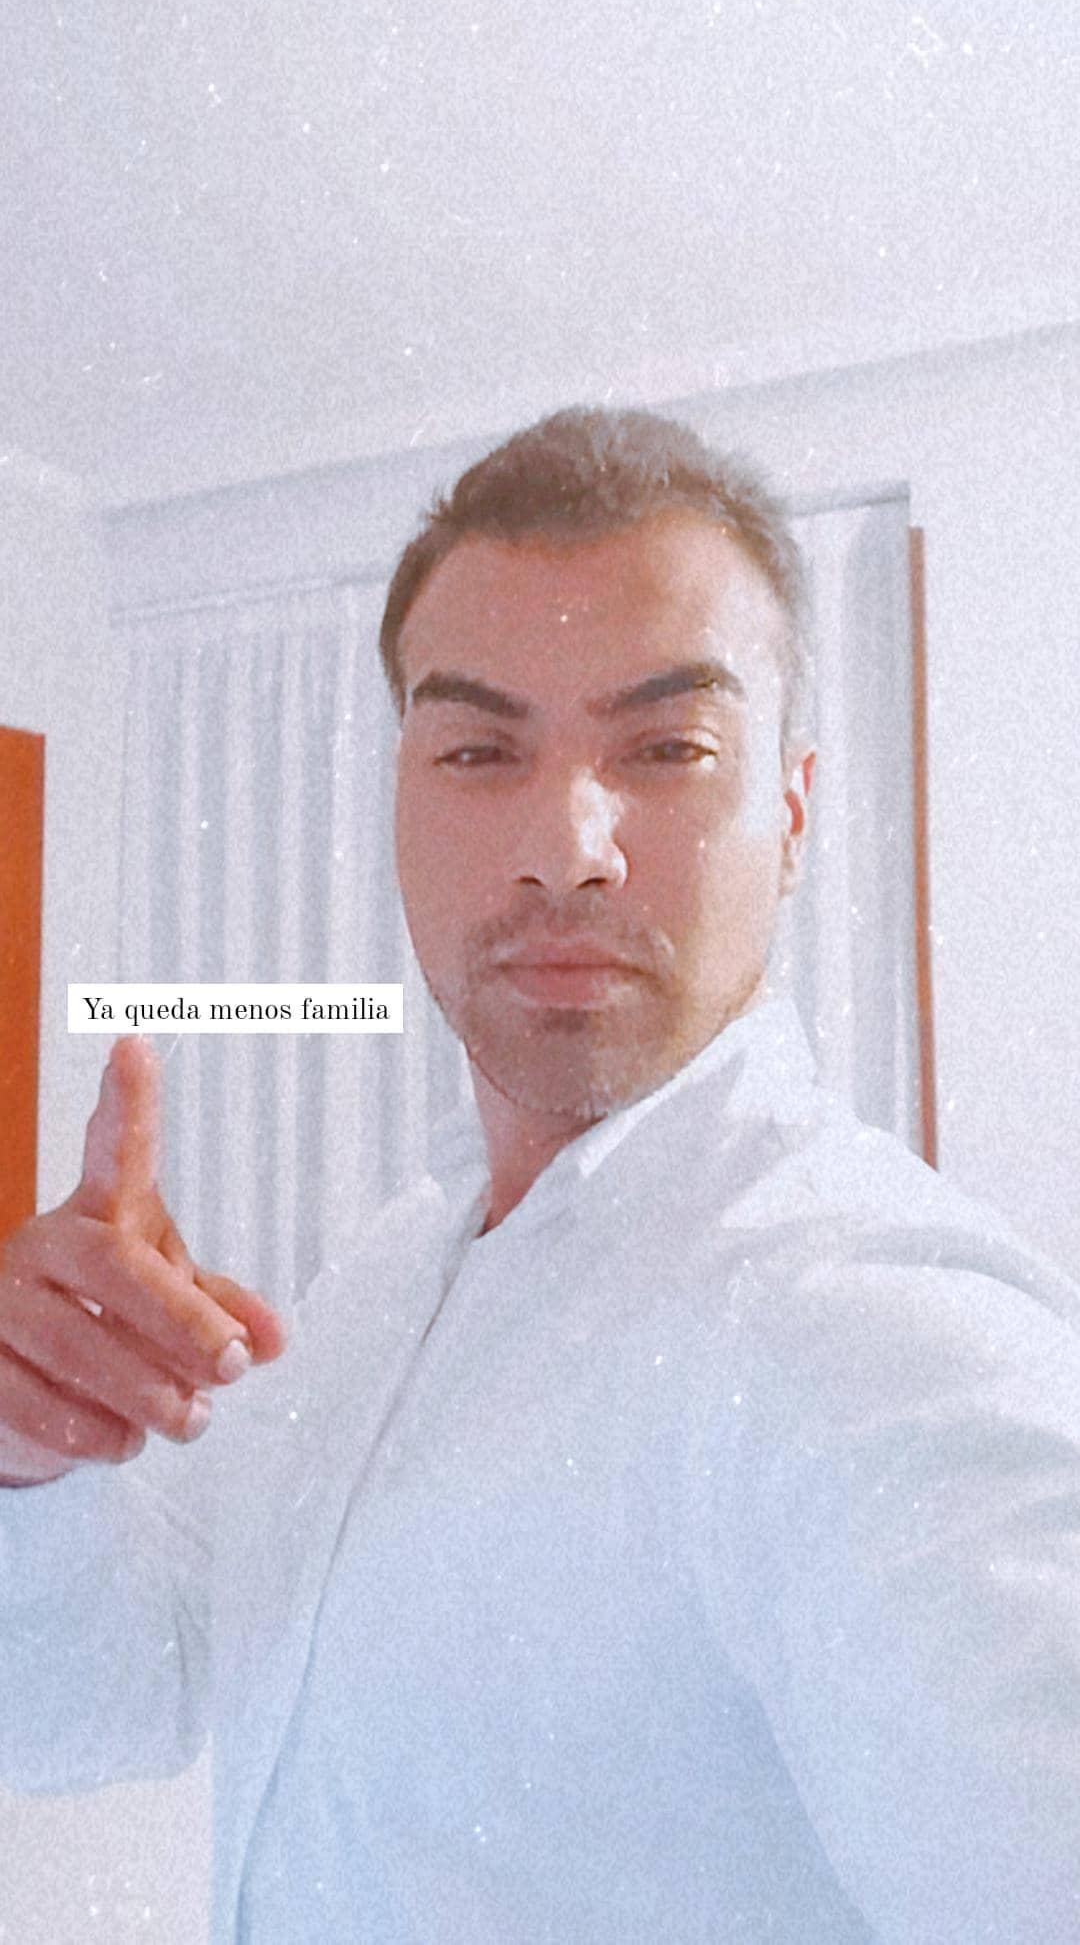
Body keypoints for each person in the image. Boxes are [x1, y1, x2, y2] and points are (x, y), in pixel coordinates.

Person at [1, 407, 1078, 1942]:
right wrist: (33, 1456)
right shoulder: (391, 1275)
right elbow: (102, 1699)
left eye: (666, 747)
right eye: (480, 749)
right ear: (400, 801)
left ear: (788, 813)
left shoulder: (863, 1321)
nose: (568, 846)